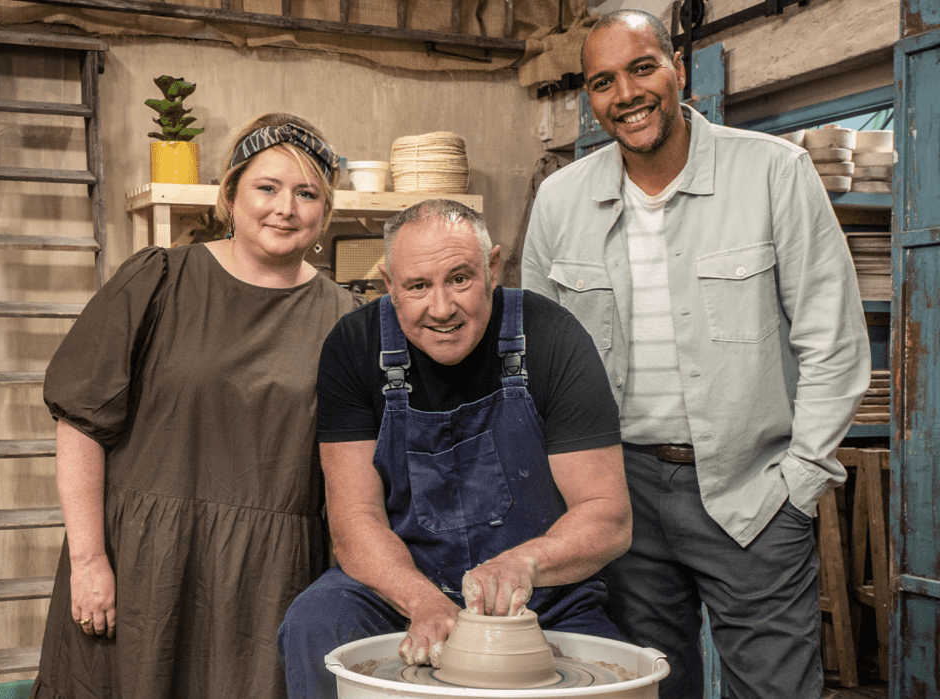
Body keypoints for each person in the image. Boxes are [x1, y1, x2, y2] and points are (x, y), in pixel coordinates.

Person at [521, 10, 871, 699]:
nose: (625, 94)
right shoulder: (560, 200)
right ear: (589, 97)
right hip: (617, 495)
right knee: (643, 686)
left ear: (678, 66)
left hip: (752, 489)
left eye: (642, 68)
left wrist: (798, 483)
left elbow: (833, 341)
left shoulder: (774, 172)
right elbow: (535, 360)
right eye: (602, 81)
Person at [31, 113, 360, 699]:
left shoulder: (345, 322)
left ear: (324, 213)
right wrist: (87, 561)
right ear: (231, 196)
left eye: (307, 193)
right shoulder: (158, 281)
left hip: (269, 586)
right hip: (142, 572)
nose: (286, 207)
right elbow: (81, 425)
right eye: (268, 187)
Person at [277, 198, 632, 698]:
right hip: (402, 583)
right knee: (316, 622)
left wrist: (522, 565)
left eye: (460, 278)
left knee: (610, 682)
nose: (442, 309)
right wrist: (423, 601)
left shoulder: (551, 336)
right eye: (418, 286)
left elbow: (607, 515)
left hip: (540, 595)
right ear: (388, 284)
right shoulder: (354, 348)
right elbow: (355, 523)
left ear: (492, 268)